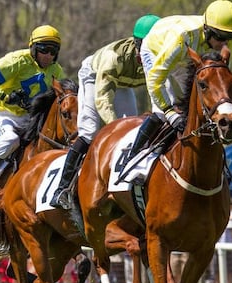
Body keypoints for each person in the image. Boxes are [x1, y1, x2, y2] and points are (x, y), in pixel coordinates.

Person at [50, 14, 160, 209]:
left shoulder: (162, 57)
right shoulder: (114, 58)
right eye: (149, 48)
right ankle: (62, 189)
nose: (154, 54)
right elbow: (103, 100)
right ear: (137, 44)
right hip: (95, 75)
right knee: (89, 132)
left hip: (123, 83)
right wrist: (115, 129)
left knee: (136, 131)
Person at [124, 0, 232, 167]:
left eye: (231, 37)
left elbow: (220, 81)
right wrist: (170, 113)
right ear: (208, 30)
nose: (225, 43)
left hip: (185, 56)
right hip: (157, 51)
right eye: (222, 37)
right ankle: (133, 156)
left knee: (195, 108)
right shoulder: (182, 37)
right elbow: (155, 79)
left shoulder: (222, 36)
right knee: (162, 113)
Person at [0, 25, 65, 205]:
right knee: (10, 140)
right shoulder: (16, 61)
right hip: (6, 116)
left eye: (53, 51)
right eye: (43, 49)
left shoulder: (56, 71)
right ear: (33, 48)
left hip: (31, 120)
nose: (48, 55)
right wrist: (6, 97)